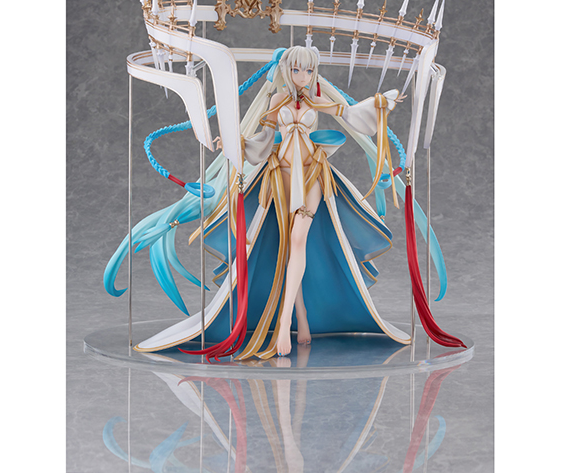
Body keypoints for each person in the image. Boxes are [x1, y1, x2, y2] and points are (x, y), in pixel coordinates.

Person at [119, 45, 412, 358]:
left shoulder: (315, 99)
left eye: (309, 70)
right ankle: (301, 316)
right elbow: (264, 140)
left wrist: (380, 103)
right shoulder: (277, 100)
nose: (303, 76)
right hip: (280, 175)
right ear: (287, 70)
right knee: (286, 246)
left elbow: (350, 114)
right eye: (297, 70)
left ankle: (285, 322)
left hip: (312, 175)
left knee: (298, 241)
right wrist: (236, 144)